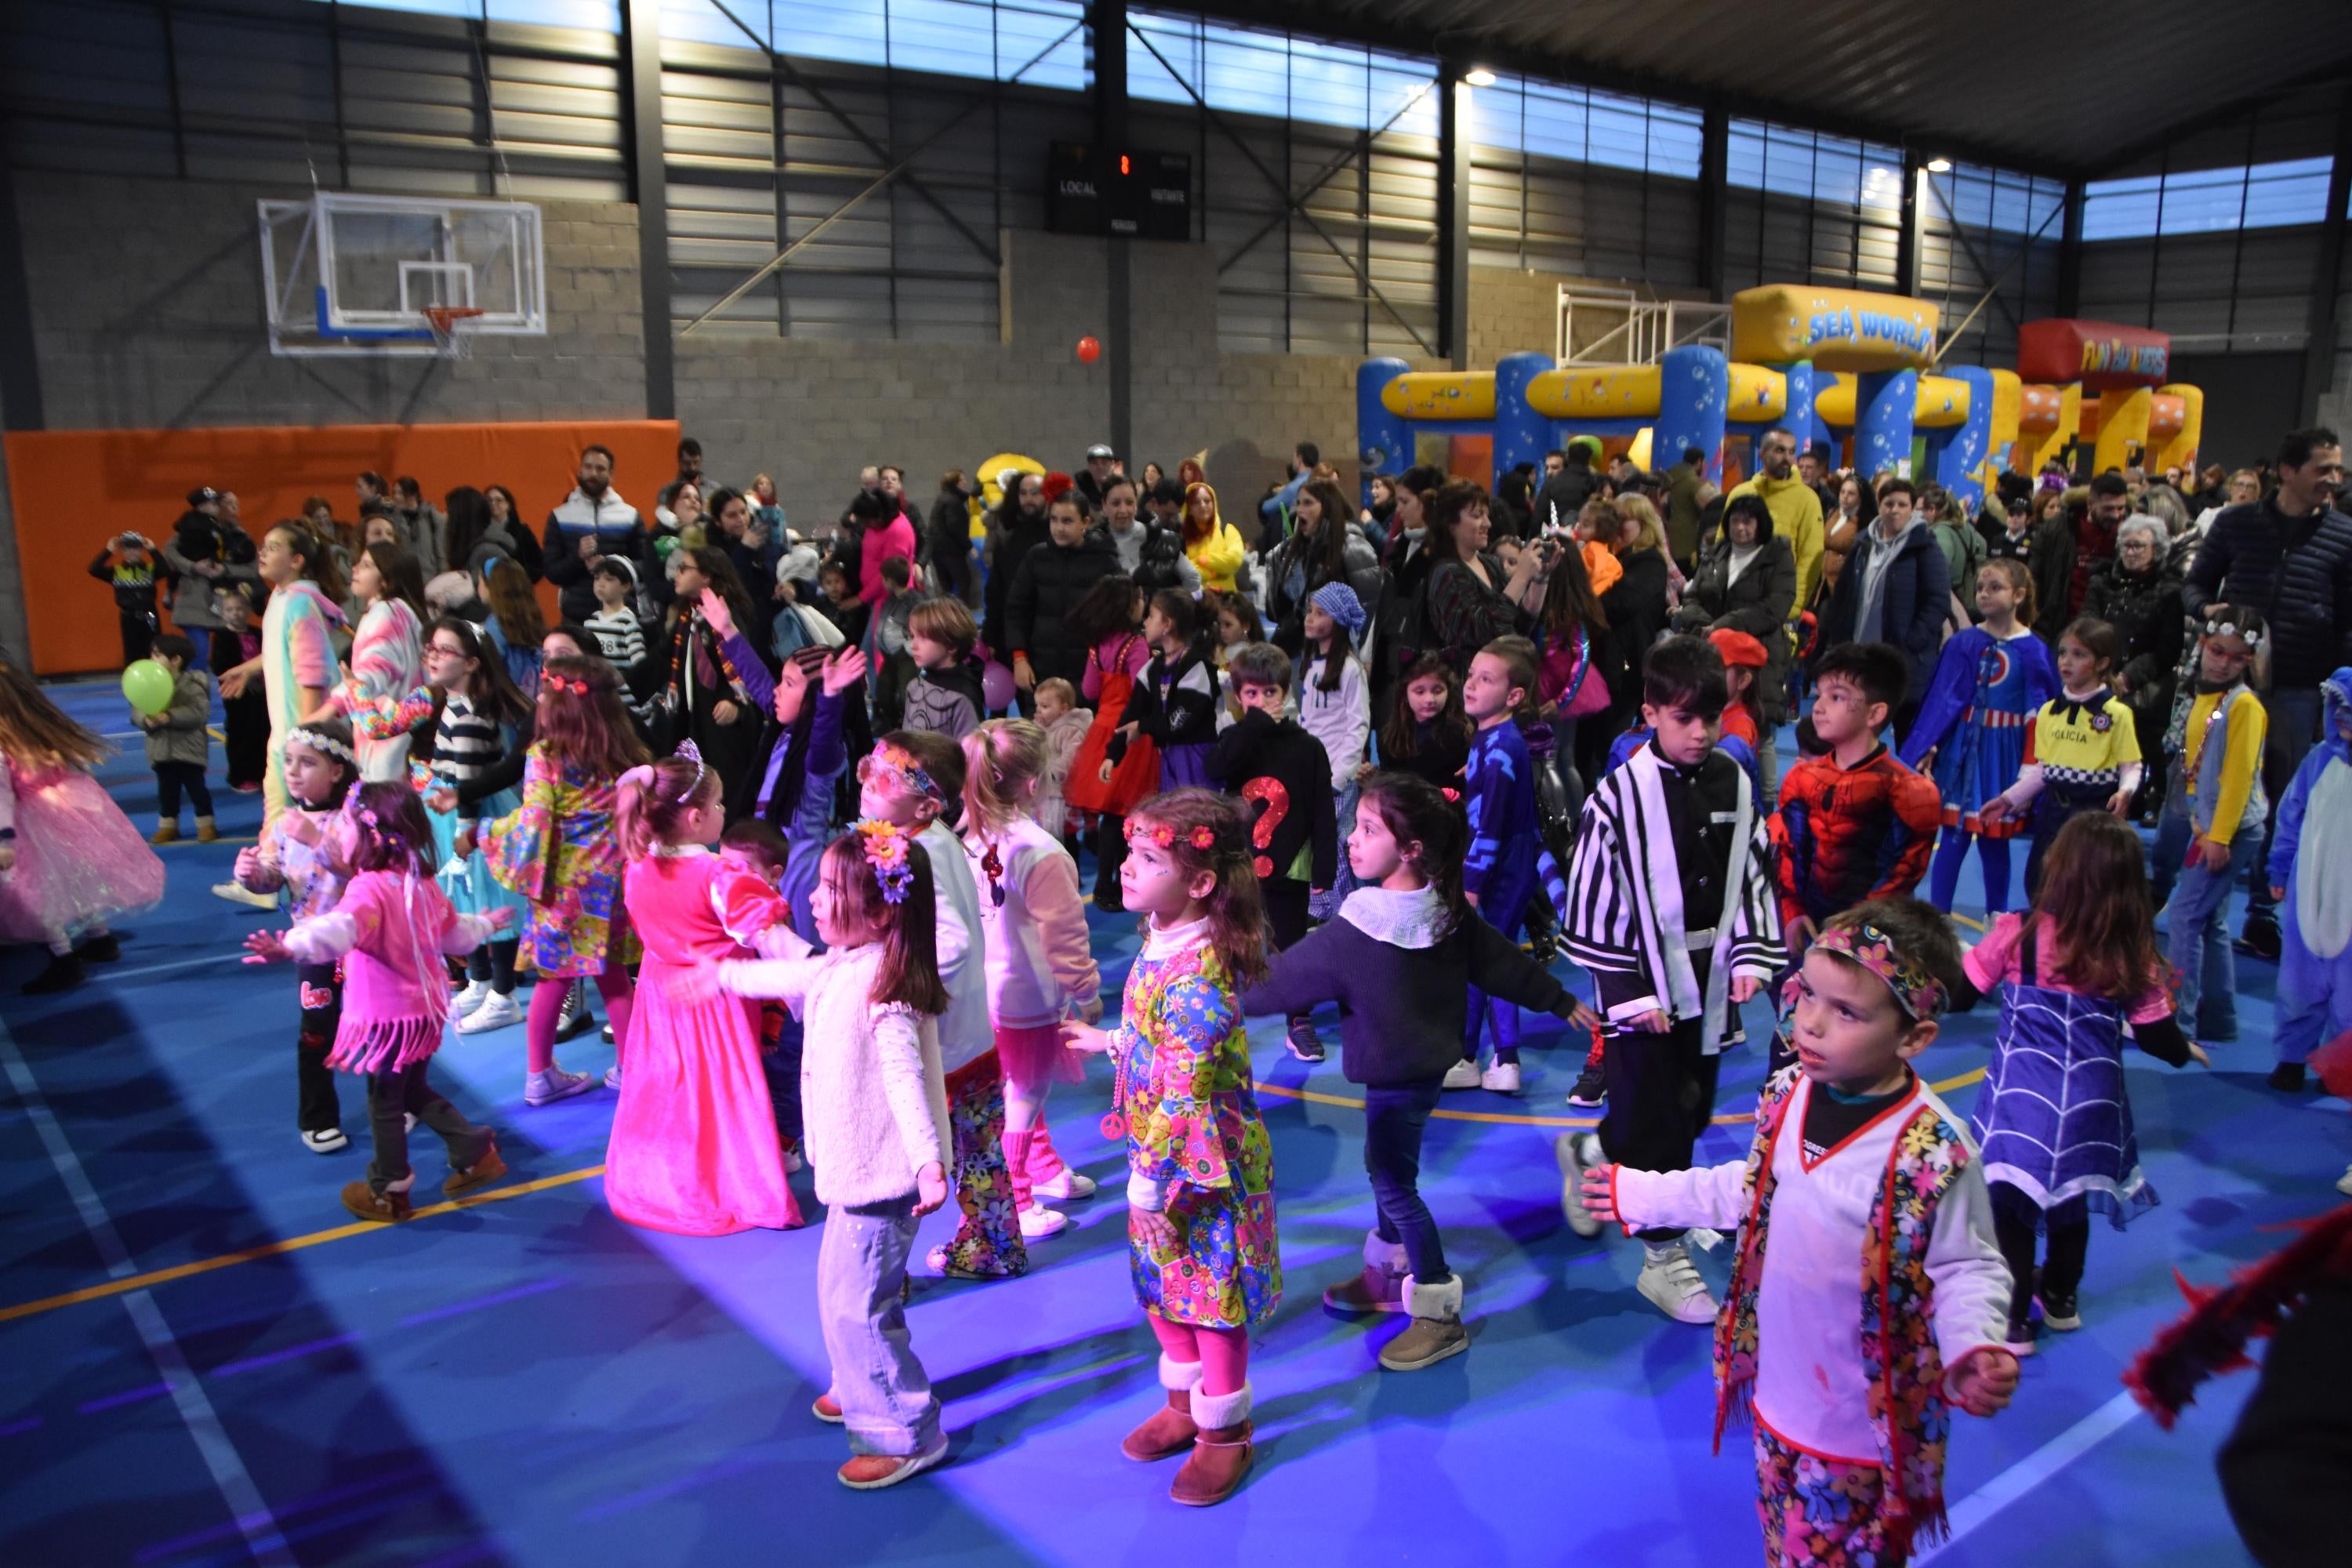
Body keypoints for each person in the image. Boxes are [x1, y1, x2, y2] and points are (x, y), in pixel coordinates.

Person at [1577, 899, 2019, 1566]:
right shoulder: (1789, 1092)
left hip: (1860, 1426)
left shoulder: (1932, 1152)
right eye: (1808, 993)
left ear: (1914, 1038)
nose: (1810, 1021)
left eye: (1847, 1012)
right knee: (1786, 1543)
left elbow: (1969, 1267)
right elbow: (1751, 1189)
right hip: (1781, 1398)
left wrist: (1973, 1344)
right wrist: (1641, 1190)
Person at [1236, 771, 1591, 1369]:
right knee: (1387, 1168)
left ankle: (1437, 1308)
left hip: (1398, 1076)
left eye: (1369, 829)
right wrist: (1556, 999)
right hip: (1421, 1069)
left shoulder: (1364, 925)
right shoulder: (1444, 909)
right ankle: (1386, 1274)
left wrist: (1212, 988)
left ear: (1411, 849)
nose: (1352, 838)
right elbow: (1502, 962)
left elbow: (1280, 983)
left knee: (1394, 1184)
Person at [703, 825, 953, 1490]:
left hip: (884, 1177)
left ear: (879, 912)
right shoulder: (844, 962)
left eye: (831, 890)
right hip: (854, 1171)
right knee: (850, 1293)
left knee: (856, 1304)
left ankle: (904, 1431)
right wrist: (721, 975)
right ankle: (859, 1378)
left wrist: (929, 1162)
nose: (812, 899)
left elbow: (905, 1081)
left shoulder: (886, 988)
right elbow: (788, 969)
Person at [1060, 789, 1279, 1508]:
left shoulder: (1199, 983)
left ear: (1201, 882)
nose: (1124, 868)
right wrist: (1113, 1040)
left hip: (1201, 1165)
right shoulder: (1162, 939)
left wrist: (1144, 1187)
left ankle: (1225, 1431)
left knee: (1210, 1293)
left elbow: (1186, 1090)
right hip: (1159, 1159)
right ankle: (1184, 1406)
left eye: (1147, 858)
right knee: (1161, 1283)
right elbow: (1161, 1045)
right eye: (1130, 852)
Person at [1557, 635, 1784, 1323]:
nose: (1702, 733)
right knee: (1662, 1125)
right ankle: (1662, 1256)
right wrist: (1629, 992)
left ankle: (1591, 1150)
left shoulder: (1734, 781)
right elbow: (1597, 899)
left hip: (1707, 990)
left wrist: (1748, 955)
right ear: (1650, 712)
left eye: (1712, 718)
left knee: (1689, 1109)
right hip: (1644, 994)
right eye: (1685, 718)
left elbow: (1750, 874)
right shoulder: (1617, 797)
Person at [1965, 814, 2208, 1352]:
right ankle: (2061, 1296)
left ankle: (2013, 1322)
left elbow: (1962, 992)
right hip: (2091, 1107)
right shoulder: (2130, 953)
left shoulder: (2018, 933)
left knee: (2011, 1208)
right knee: (2070, 1202)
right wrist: (2185, 1050)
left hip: (2019, 1104)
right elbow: (2158, 1041)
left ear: (2059, 868)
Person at [242, 782, 511, 1223]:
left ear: (370, 834)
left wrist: (291, 946)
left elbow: (339, 930)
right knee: (412, 1091)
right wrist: (483, 924)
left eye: (346, 823)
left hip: (388, 1022)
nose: (338, 832)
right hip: (423, 1017)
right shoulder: (419, 882)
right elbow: (452, 933)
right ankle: (471, 1145)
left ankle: (390, 1187)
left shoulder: (368, 889)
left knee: (385, 1102)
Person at [604, 750, 802, 1234]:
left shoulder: (635, 868)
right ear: (695, 818)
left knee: (669, 1091)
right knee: (722, 1092)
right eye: (717, 807)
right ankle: (730, 1187)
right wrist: (823, 969)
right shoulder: (721, 877)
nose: (722, 815)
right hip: (715, 1004)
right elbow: (773, 941)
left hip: (659, 997)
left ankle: (660, 1184)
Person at [847, 732, 1013, 1281]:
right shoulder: (933, 838)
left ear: (926, 803)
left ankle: (886, 1274)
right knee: (978, 1151)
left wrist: (894, 987)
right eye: (872, 767)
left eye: (890, 777)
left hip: (938, 1044)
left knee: (912, 1158)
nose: (871, 781)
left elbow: (955, 941)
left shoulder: (918, 851)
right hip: (967, 1037)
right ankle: (994, 1245)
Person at [2183, 427, 2350, 960]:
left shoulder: (2345, 537)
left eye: (2337, 469)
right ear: (2287, 471)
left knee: (2280, 804)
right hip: (2224, 691)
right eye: (2323, 468)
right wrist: (2209, 614)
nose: (2334, 479)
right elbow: (2193, 587)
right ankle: (2180, 894)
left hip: (2302, 691)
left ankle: (2262, 913)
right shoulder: (2235, 524)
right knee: (2200, 790)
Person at [480, 655, 647, 1102]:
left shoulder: (545, 757)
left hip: (562, 891)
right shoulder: (625, 756)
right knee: (614, 975)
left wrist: (490, 833)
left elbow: (533, 821)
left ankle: (539, 1075)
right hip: (613, 886)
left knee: (554, 980)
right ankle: (630, 1069)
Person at [960, 720, 1104, 1241]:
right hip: (1028, 996)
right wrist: (1087, 993)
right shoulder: (1040, 850)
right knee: (1024, 1092)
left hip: (984, 993)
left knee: (1020, 1087)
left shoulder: (972, 836)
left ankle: (1041, 1167)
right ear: (1030, 783)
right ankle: (1017, 1196)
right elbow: (1064, 936)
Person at [1899, 559, 2057, 915]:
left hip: (2004, 756)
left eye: (1995, 587)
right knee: (1952, 838)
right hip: (1961, 754)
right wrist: (1932, 744)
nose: (1984, 594)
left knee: (1994, 842)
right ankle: (1936, 920)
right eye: (1981, 588)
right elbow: (1942, 700)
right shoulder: (1963, 643)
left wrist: (2031, 770)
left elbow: (2043, 714)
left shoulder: (2034, 650)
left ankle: (1996, 921)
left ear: (2019, 595)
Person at [229, 721, 360, 1149]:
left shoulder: (355, 816)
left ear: (337, 771)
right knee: (316, 1031)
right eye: (289, 762)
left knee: (377, 1023)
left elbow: (360, 869)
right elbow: (274, 878)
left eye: (308, 763)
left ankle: (399, 1102)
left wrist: (317, 839)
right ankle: (318, 1117)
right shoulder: (284, 825)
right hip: (313, 949)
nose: (294, 771)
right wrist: (252, 876)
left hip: (363, 945)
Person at [1208, 644, 1338, 1063]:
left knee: (1290, 945)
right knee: (1229, 941)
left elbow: (1322, 809)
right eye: (1251, 695)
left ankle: (1297, 1019)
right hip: (1239, 865)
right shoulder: (1236, 740)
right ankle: (1216, 1020)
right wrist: (1253, 726)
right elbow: (1216, 768)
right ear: (1238, 695)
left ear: (1286, 693)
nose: (1261, 703)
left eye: (1270, 694)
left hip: (1289, 862)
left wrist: (1325, 868)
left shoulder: (1307, 747)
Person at [0, 659, 160, 993]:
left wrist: (5, 840)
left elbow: (2, 797)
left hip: (32, 820)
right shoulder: (36, 729)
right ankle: (100, 938)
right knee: (79, 876)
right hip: (70, 805)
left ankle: (63, 960)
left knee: (40, 894)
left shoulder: (5, 743)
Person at [2160, 605, 2271, 1048]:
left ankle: (2179, 1021)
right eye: (2216, 650)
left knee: (2186, 917)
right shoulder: (2205, 695)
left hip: (2230, 830)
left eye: (2236, 657)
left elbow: (2239, 778)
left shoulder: (2244, 706)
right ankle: (2221, 1018)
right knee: (2211, 921)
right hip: (2209, 825)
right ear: (2202, 647)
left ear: (2249, 662)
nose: (2222, 661)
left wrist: (2219, 836)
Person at [1441, 637, 1547, 1094]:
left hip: (1501, 866)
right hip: (1509, 858)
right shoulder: (1492, 739)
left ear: (1514, 695)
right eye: (1470, 676)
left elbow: (1489, 825)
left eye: (1486, 680)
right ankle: (1476, 1055)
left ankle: (1496, 1059)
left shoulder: (1501, 747)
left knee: (1485, 958)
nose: (1470, 686)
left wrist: (1472, 883)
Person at [1979, 617, 2143, 899]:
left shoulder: (2117, 714)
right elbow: (2043, 769)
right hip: (2054, 811)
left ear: (2102, 663)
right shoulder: (2049, 712)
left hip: (2092, 811)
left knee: (2084, 887)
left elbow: (2131, 765)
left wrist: (2125, 791)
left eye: (2079, 655)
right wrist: (2008, 799)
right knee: (2040, 882)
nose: (2066, 661)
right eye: (2063, 653)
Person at [219, 524, 347, 827]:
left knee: (288, 822)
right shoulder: (280, 597)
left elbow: (313, 676)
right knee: (285, 821)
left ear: (297, 560)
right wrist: (250, 667)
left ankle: (268, 870)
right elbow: (284, 647)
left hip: (296, 736)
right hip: (284, 737)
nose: (263, 552)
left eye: (274, 547)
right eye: (264, 546)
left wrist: (305, 744)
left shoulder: (300, 604)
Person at [1673, 493, 1798, 795]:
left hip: (1760, 656)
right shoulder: (1716, 552)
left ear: (1761, 523)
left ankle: (1767, 801)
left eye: (1748, 521)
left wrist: (1722, 625)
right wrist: (1705, 625)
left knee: (1762, 730)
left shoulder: (1778, 554)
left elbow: (1775, 607)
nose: (1741, 528)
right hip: (1712, 654)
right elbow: (1691, 597)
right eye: (1736, 521)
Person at [2267, 667, 2352, 1092]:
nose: (2343, 719)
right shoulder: (2319, 759)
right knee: (2299, 978)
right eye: (2339, 709)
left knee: (2349, 990)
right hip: (2311, 884)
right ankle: (2292, 1055)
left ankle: (2338, 1065)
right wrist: (2279, 867)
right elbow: (2290, 815)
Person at [1821, 478, 1949, 742]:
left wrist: (1912, 642)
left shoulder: (1925, 547)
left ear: (1913, 509)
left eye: (1902, 504)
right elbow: (1844, 597)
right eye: (1889, 503)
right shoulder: (1862, 544)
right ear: (1879, 506)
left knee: (1909, 738)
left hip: (1905, 660)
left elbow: (1937, 602)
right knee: (1857, 734)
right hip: (1861, 656)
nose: (1895, 510)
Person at [659, 552, 777, 815]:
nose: (676, 574)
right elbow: (662, 655)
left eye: (684, 568)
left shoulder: (728, 614)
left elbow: (748, 665)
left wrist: (736, 700)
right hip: (697, 713)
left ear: (706, 576)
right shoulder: (686, 615)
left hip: (725, 717)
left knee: (730, 786)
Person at [2083, 516, 2185, 814]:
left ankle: (2142, 799)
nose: (2131, 552)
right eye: (2126, 545)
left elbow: (2167, 651)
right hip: (2099, 672)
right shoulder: (2102, 581)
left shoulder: (2171, 590)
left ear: (2157, 549)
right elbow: (2086, 625)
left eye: (2139, 546)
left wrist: (2126, 678)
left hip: (2143, 685)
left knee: (2139, 745)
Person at [1294, 583, 1372, 915]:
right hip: (1311, 772)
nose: (1311, 619)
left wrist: (1339, 776)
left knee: (1338, 847)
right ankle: (1322, 909)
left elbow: (1358, 726)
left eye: (1320, 613)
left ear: (1338, 621)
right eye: (1310, 611)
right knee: (1317, 843)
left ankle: (1344, 912)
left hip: (1335, 778)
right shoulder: (1313, 665)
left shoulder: (1350, 668)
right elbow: (1309, 720)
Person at [321, 541, 427, 782]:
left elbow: (373, 674)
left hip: (388, 745)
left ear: (386, 580)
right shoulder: (403, 611)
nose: (355, 569)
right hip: (406, 740)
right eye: (358, 563)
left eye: (367, 565)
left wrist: (328, 710)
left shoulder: (385, 613)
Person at [1417, 482, 1541, 676]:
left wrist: (1541, 578)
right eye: (1476, 516)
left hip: (1500, 683)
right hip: (1466, 688)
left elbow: (1518, 626)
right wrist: (1522, 575)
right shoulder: (1447, 573)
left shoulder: (1490, 563)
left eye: (1486, 514)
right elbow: (1485, 632)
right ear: (1451, 524)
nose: (1487, 523)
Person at [1007, 489, 1120, 700]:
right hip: (1041, 673)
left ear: (1085, 522)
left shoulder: (1105, 562)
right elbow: (1016, 610)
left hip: (1088, 676)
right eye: (1054, 520)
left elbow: (1118, 617)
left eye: (1067, 521)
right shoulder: (1036, 557)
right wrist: (1019, 658)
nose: (1058, 528)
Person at [1113, 589, 1219, 793]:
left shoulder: (1195, 665)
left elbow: (1178, 722)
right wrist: (1114, 753)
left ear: (1167, 625)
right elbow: (1134, 709)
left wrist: (1143, 725)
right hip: (1169, 755)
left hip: (1194, 758)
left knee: (1196, 819)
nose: (1145, 622)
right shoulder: (1154, 666)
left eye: (1152, 616)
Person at [1265, 479, 1381, 654]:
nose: (1300, 509)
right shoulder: (1294, 551)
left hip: (1338, 654)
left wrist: (1349, 652)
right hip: (1299, 651)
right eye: (1298, 503)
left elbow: (1368, 608)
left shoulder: (1353, 546)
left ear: (1328, 507)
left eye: (1308, 503)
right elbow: (1278, 610)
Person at [1726, 427, 1827, 624]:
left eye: (1791, 451)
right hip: (1734, 607)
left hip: (1779, 613)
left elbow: (1810, 557)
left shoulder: (1808, 500)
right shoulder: (1740, 493)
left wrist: (1793, 607)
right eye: (1780, 450)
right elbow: (1723, 546)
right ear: (1762, 454)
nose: (1787, 458)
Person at [128, 631, 215, 845]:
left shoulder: (193, 685)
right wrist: (145, 720)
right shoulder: (148, 683)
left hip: (188, 749)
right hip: (161, 749)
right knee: (167, 791)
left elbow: (198, 713)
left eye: (157, 655)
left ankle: (206, 823)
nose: (152, 660)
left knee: (197, 789)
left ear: (175, 660)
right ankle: (168, 825)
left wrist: (169, 717)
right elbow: (137, 709)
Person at [543, 445, 645, 624]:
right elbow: (552, 573)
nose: (593, 473)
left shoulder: (630, 516)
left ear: (611, 475)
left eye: (600, 469)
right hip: (576, 617)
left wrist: (611, 565)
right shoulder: (559, 516)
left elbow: (645, 565)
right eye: (588, 467)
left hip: (621, 616)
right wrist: (578, 557)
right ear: (580, 471)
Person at [1368, 653, 1471, 790]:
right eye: (1419, 691)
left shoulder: (1460, 734)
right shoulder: (1391, 737)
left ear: (1448, 691)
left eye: (1438, 690)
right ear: (1405, 693)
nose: (1430, 699)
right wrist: (1373, 780)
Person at [900, 596, 987, 740]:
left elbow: (973, 753)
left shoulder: (962, 697)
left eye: (923, 638)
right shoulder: (914, 687)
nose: (913, 645)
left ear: (951, 645)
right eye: (913, 636)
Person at [984, 470, 1051, 651]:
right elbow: (996, 591)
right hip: (1015, 634)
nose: (1028, 498)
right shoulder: (1009, 541)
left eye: (1035, 492)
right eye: (1023, 493)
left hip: (1051, 636)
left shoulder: (1057, 538)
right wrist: (990, 636)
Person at [1096, 474, 1197, 595]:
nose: (1123, 510)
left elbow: (1192, 579)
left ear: (1136, 504)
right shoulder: (1092, 543)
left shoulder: (1169, 540)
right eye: (1116, 503)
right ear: (1104, 505)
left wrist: (1180, 607)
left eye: (1129, 502)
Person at [212, 582, 267, 793]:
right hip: (237, 694)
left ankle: (261, 772)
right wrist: (242, 678)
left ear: (247, 610)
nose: (235, 614)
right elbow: (220, 666)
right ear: (223, 613)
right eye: (229, 610)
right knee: (239, 733)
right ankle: (240, 775)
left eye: (239, 609)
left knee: (262, 731)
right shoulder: (222, 636)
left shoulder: (258, 633)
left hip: (261, 691)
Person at [1031, 677, 1091, 850]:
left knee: (1064, 838)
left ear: (1063, 709)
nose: (1039, 711)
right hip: (1043, 792)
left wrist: (1049, 772)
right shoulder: (1042, 728)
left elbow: (1071, 759)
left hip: (1061, 795)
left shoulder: (1072, 730)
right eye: (1037, 706)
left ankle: (1071, 870)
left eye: (1045, 706)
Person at [89, 532, 161, 666]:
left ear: (142, 550)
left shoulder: (150, 570)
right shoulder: (117, 572)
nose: (132, 552)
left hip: (150, 614)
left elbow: (165, 570)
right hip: (128, 615)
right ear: (122, 550)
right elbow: (94, 569)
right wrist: (109, 550)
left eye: (136, 548)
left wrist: (153, 550)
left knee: (154, 648)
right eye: (128, 548)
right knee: (132, 651)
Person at [481, 557, 546, 694]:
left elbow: (489, 674)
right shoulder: (533, 619)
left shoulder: (494, 626)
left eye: (480, 580)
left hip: (509, 704)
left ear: (491, 586)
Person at [928, 470, 978, 605]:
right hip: (951, 550)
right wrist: (969, 546)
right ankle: (961, 617)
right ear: (955, 483)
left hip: (937, 550)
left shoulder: (942, 498)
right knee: (964, 581)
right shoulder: (954, 501)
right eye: (962, 480)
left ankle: (945, 619)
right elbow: (955, 527)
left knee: (945, 586)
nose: (965, 482)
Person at [1532, 438, 1600, 534]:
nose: (1549, 472)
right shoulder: (1596, 482)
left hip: (1559, 537)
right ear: (1589, 460)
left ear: (1568, 458)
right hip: (1588, 538)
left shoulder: (1552, 483)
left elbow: (1539, 518)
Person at [1661, 445, 1708, 568]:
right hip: (1688, 545)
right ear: (1699, 462)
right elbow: (1707, 506)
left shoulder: (1668, 477)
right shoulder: (1694, 483)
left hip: (1668, 539)